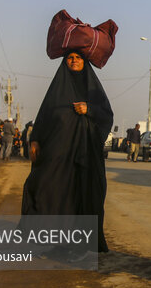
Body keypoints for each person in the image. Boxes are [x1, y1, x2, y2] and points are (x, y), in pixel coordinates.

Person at [20, 50, 113, 252]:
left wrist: (89, 109)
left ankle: (80, 244)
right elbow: (44, 114)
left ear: (84, 61)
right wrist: (35, 139)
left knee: (82, 194)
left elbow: (107, 116)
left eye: (78, 58)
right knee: (48, 189)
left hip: (85, 154)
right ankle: (56, 239)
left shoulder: (93, 89)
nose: (74, 61)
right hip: (58, 153)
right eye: (70, 57)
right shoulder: (56, 89)